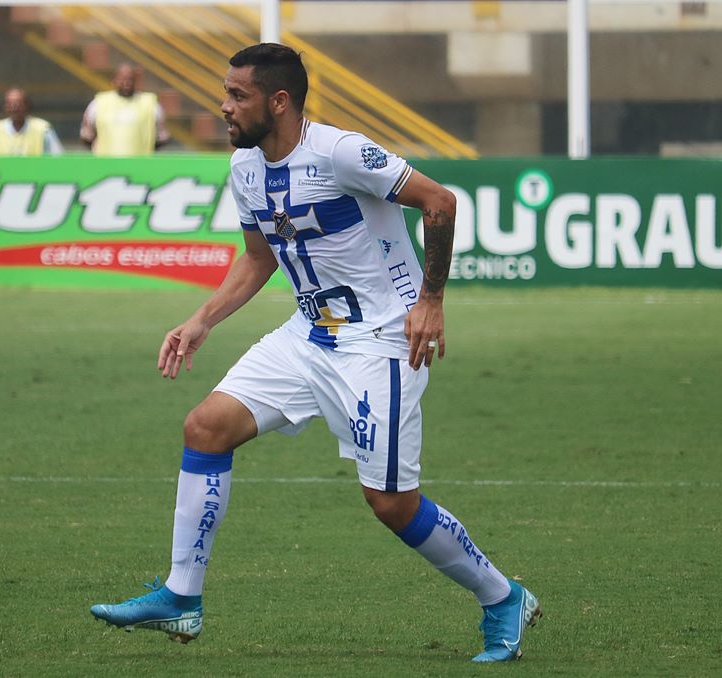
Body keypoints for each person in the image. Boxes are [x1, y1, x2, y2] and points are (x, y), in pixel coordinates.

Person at [90, 43, 541, 663]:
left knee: (390, 503)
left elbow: (440, 202)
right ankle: (181, 595)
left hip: (381, 343)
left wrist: (430, 301)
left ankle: (502, 597)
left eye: (237, 95)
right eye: (226, 93)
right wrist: (201, 321)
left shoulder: (341, 152)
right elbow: (257, 259)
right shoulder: (245, 168)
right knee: (206, 428)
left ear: (279, 101)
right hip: (307, 336)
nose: (224, 106)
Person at [79, 62, 170, 156]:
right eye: (122, 80)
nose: (126, 84)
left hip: (140, 167)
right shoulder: (98, 103)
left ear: (136, 81)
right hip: (106, 167)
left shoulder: (151, 104)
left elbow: (162, 138)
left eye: (130, 80)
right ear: (114, 80)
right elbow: (86, 136)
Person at [0, 87, 63, 156]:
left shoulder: (43, 129)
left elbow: (58, 158)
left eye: (18, 104)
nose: (14, 108)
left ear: (27, 105)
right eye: (10, 104)